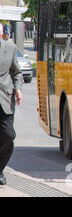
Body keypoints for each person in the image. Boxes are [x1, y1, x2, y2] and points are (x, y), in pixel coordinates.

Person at [0, 23, 23, 186]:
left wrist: (18, 89)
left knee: (8, 135)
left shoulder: (11, 48)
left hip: (5, 99)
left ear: (2, 35)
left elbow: (16, 72)